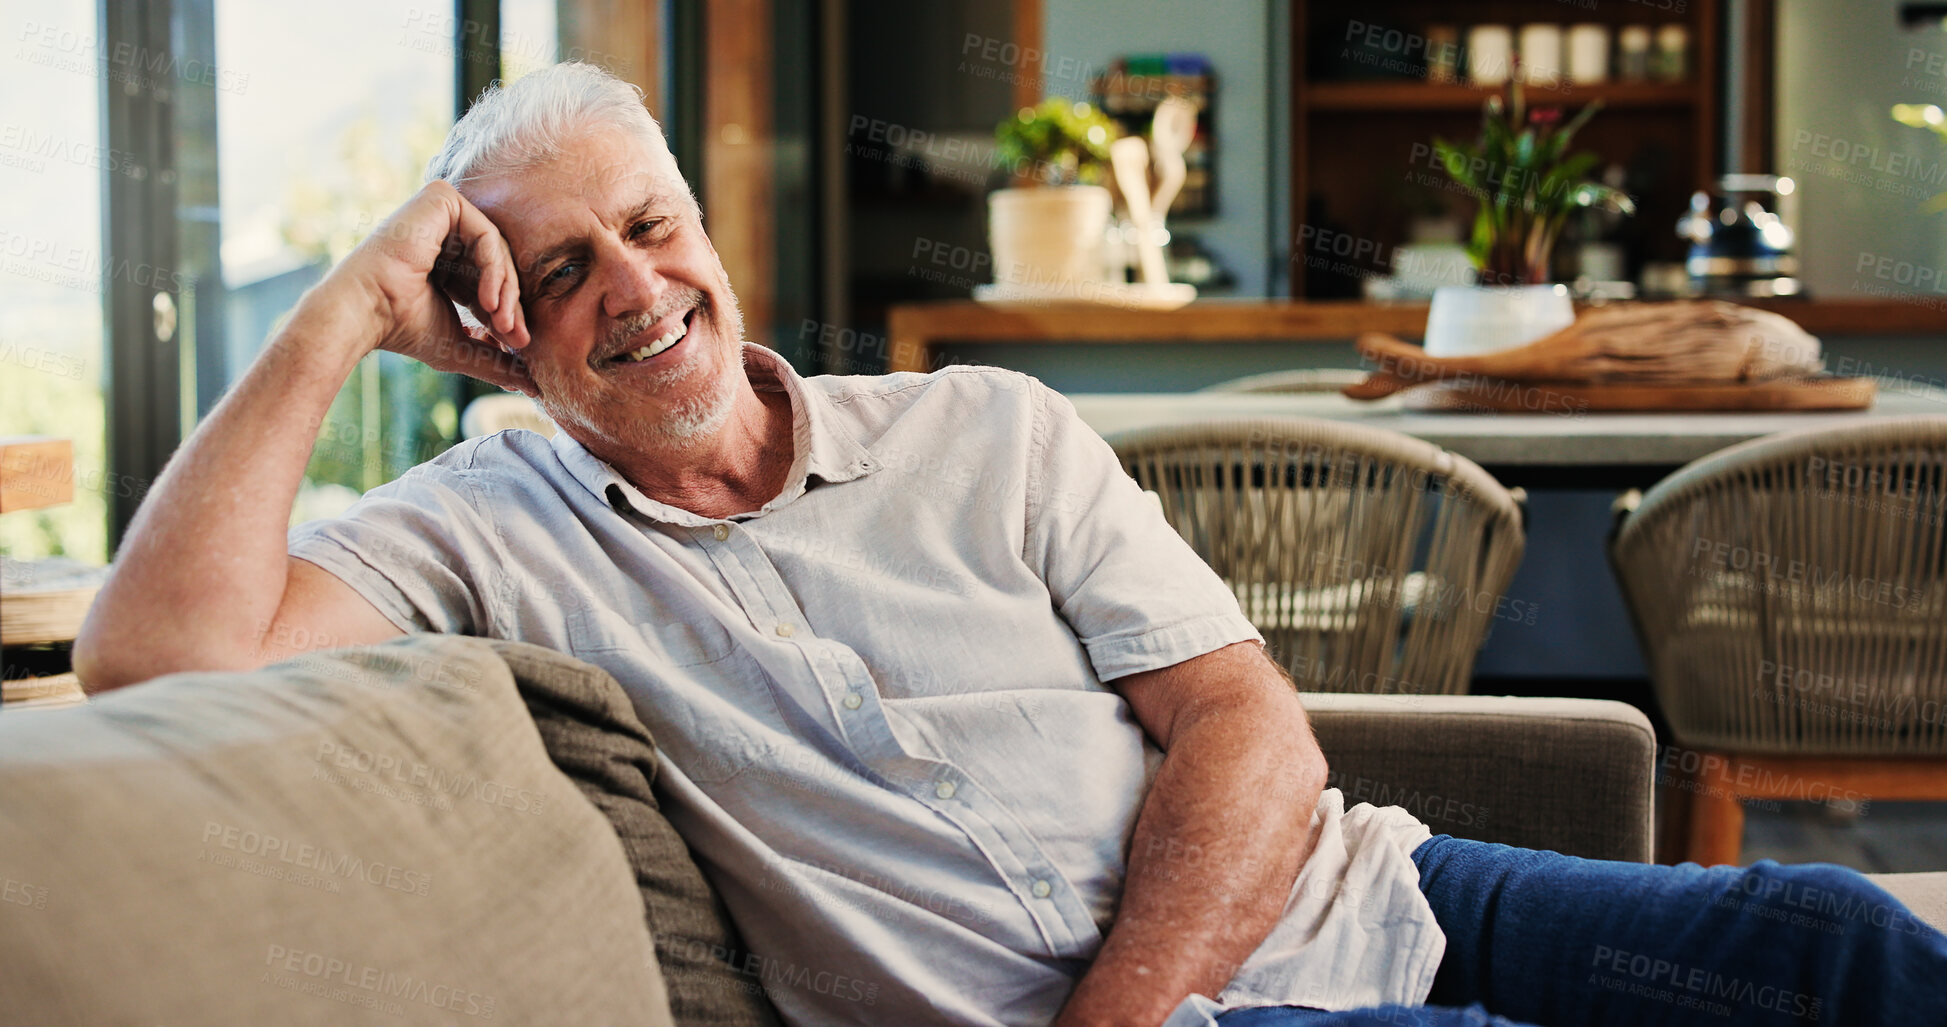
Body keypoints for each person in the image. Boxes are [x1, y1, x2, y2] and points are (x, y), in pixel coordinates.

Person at [75, 63, 1946, 1027]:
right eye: (559, 272)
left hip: (1371, 901)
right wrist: (342, 310)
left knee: (1839, 944)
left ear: (705, 222)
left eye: (650, 227)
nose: (635, 292)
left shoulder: (986, 426)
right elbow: (153, 660)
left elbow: (1247, 729)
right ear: (491, 327)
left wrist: (1124, 1014)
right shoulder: (486, 530)